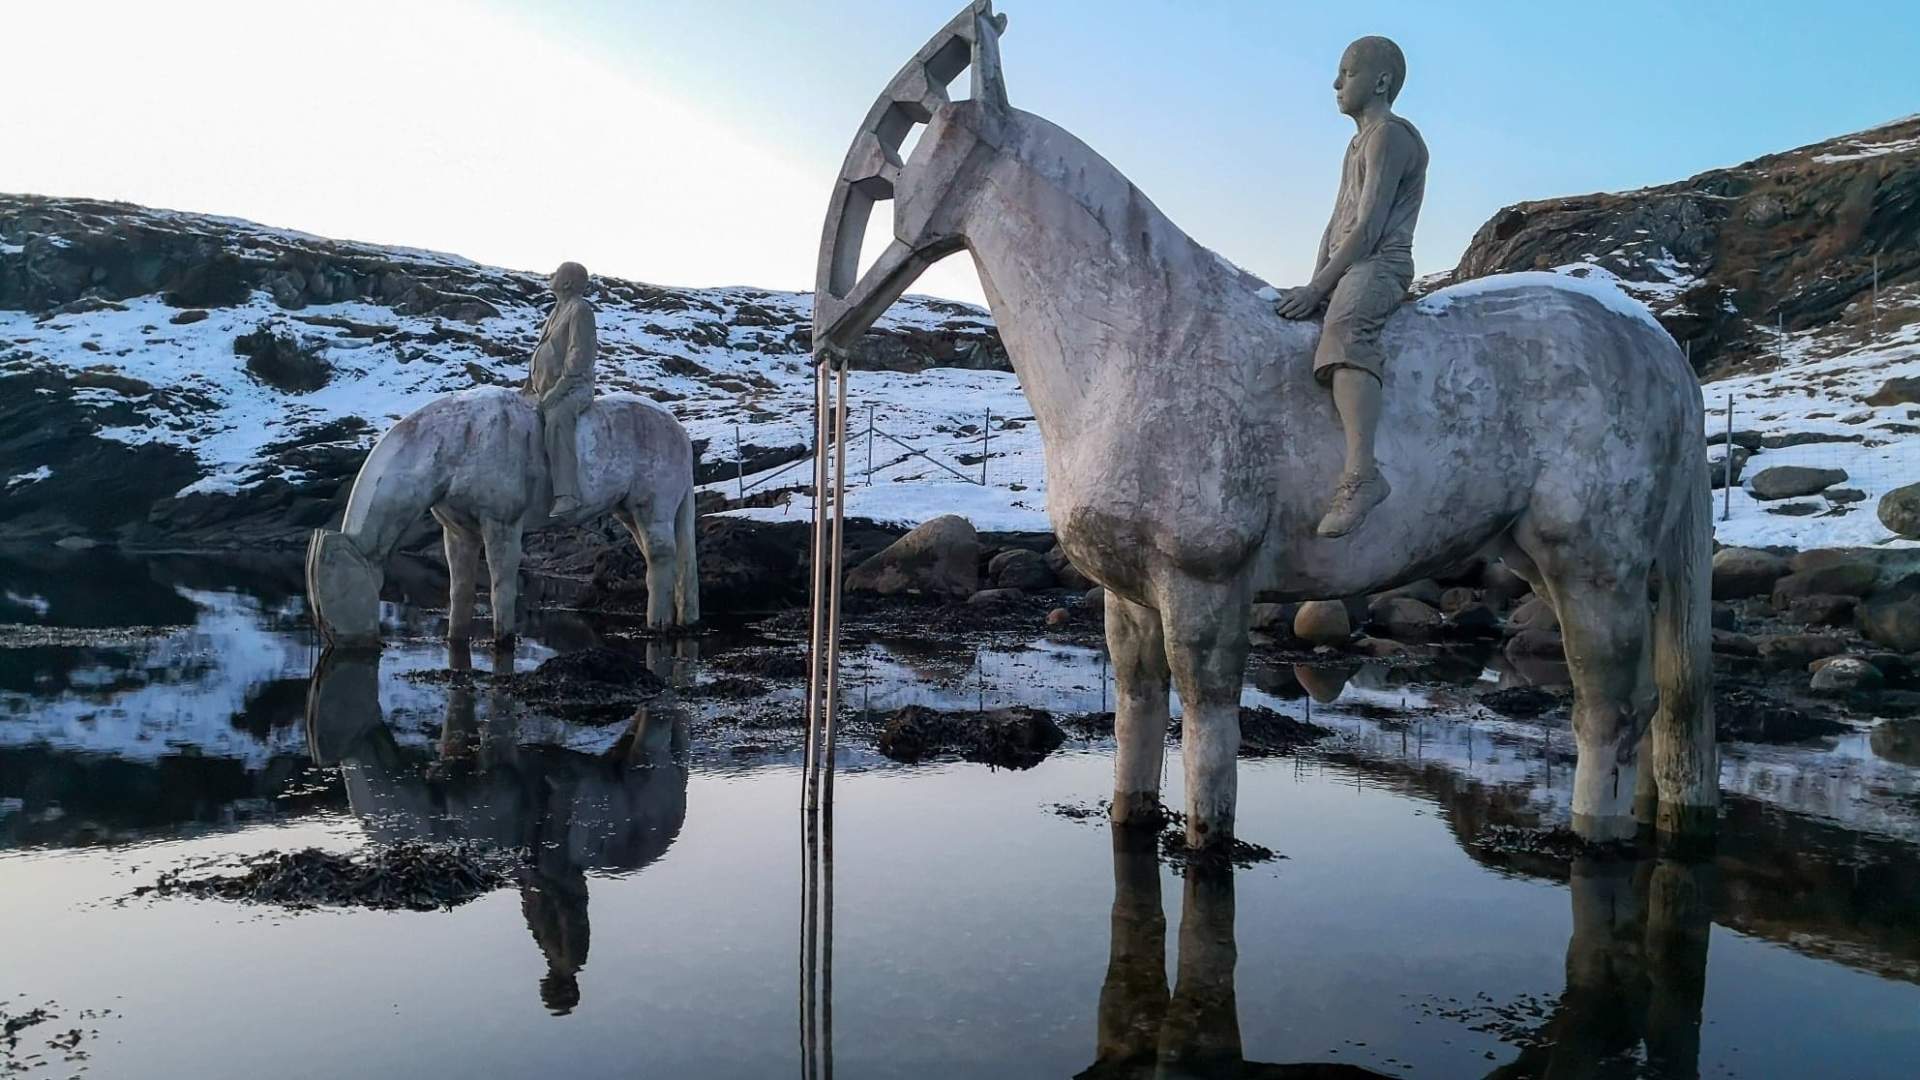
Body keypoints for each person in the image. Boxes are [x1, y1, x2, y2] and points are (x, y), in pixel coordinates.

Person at [1275, 36, 1428, 538]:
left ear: (1380, 81)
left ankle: (1362, 474)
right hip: (1350, 261)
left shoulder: (1391, 135)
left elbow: (1367, 228)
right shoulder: (1358, 142)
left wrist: (1320, 290)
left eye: (1347, 72)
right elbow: (1335, 223)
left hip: (1381, 262)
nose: (1336, 83)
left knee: (1344, 330)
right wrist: (1314, 277)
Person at [525, 261, 597, 517]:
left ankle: (567, 494)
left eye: (555, 273)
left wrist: (559, 390)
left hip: (574, 388)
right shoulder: (557, 309)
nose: (550, 275)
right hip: (544, 390)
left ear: (566, 283)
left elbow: (579, 355)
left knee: (557, 419)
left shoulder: (580, 310)